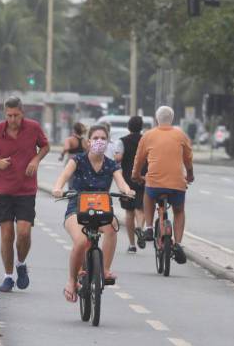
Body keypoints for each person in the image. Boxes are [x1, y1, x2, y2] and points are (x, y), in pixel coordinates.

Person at [51, 125, 136, 300]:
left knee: (112, 228)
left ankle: (104, 269)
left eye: (103, 139)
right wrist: (58, 188)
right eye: (95, 138)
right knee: (81, 241)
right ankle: (71, 280)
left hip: (102, 209)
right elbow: (64, 176)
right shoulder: (78, 160)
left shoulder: (111, 165)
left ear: (108, 142)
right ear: (88, 142)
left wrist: (128, 191)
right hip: (77, 209)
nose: (99, 141)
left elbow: (121, 183)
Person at [0, 97, 49, 293]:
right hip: (2, 189)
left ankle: (21, 264)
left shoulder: (33, 127)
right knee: (6, 235)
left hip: (26, 189)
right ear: (5, 114)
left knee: (23, 232)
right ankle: (8, 276)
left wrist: (36, 160)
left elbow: (45, 146)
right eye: (9, 116)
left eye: (16, 116)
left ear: (23, 113)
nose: (13, 120)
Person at [133, 106, 194, 265]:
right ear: (172, 119)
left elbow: (139, 159)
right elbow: (188, 158)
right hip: (177, 183)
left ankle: (149, 227)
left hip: (154, 183)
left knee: (148, 195)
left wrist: (136, 175)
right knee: (179, 211)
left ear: (156, 118)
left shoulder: (148, 135)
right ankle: (178, 244)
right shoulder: (181, 135)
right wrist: (190, 174)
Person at [119, 115, 146, 254]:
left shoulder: (123, 141)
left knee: (129, 212)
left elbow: (118, 158)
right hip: (143, 178)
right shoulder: (146, 140)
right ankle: (140, 227)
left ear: (128, 127)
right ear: (141, 127)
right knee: (140, 209)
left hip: (127, 180)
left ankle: (132, 245)